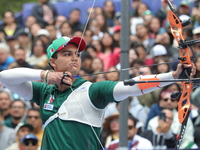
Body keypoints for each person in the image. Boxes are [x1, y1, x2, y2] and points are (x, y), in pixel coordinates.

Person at [0, 36, 196, 150]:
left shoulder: (93, 90)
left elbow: (133, 85)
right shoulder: (43, 92)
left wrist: (173, 75)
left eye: (77, 54)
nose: (75, 58)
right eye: (67, 54)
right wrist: (46, 76)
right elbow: (5, 77)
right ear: (53, 61)